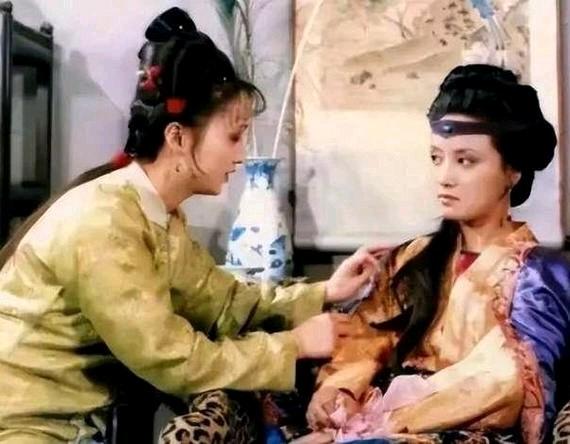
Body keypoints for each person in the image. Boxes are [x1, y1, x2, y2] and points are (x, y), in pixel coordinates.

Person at [0, 8, 379, 443]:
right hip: (25, 425)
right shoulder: (104, 223)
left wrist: (325, 292)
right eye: (233, 137)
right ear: (177, 137)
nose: (241, 155)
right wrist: (294, 344)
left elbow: (224, 302)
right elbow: (175, 358)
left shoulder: (159, 214)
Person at [305, 64, 570, 444]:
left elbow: (508, 381)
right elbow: (366, 335)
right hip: (376, 422)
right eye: (436, 158)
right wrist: (339, 390)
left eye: (465, 161)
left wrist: (384, 422)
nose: (444, 176)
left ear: (512, 171)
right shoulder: (413, 257)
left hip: (464, 432)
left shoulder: (538, 275)